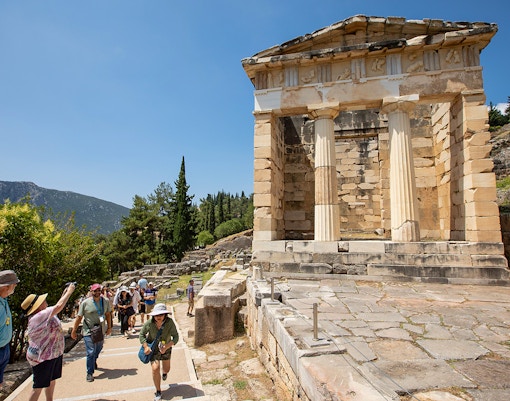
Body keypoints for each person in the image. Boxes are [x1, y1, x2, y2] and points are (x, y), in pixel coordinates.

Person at [21, 283, 75, 401]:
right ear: (37, 306)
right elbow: (59, 306)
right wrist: (70, 291)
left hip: (52, 354)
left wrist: (64, 293)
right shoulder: (38, 316)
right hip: (42, 357)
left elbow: (58, 305)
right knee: (38, 386)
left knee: (51, 380)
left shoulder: (44, 313)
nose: (45, 300)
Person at [71, 283, 112, 382]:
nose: (97, 293)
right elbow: (79, 317)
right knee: (90, 352)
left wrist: (109, 327)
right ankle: (90, 372)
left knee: (98, 348)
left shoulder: (105, 301)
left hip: (100, 330)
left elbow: (108, 314)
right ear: (91, 291)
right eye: (95, 291)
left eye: (99, 291)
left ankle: (93, 361)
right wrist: (74, 330)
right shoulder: (85, 303)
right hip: (88, 330)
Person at [139, 303, 179, 401]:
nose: (158, 317)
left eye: (160, 315)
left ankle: (164, 373)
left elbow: (176, 337)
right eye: (156, 315)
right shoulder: (149, 323)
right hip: (153, 350)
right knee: (155, 368)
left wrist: (166, 347)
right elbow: (141, 335)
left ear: (165, 315)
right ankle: (158, 391)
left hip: (166, 348)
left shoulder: (169, 323)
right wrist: (145, 347)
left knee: (166, 369)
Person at [0, 270, 19, 390]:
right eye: (14, 285)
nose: (15, 287)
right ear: (6, 287)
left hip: (4, 348)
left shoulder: (4, 301)